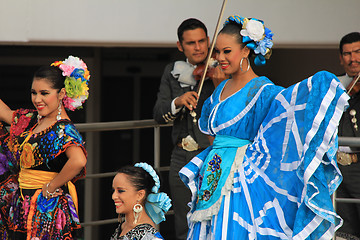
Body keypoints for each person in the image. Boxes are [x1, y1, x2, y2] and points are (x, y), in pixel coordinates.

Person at [179, 15, 349, 239]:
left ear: (246, 51)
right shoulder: (218, 89)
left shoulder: (265, 91)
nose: (219, 58)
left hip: (242, 184)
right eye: (217, 52)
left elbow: (278, 136)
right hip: (212, 177)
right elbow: (213, 138)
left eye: (227, 51)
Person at [0, 56, 89, 239]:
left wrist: (50, 187)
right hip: (22, 204)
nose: (37, 99)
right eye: (34, 92)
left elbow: (79, 160)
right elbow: (7, 114)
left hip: (47, 208)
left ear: (62, 94)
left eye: (44, 93)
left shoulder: (63, 128)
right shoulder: (32, 120)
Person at [153, 18, 225, 240]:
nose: (198, 47)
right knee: (183, 219)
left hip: (212, 154)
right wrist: (178, 101)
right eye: (191, 43)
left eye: (202, 41)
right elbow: (158, 114)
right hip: (180, 155)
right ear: (180, 46)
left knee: (215, 215)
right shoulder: (172, 71)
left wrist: (218, 84)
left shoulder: (221, 68)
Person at [336, 32, 360, 239]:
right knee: (344, 232)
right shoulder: (337, 87)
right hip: (338, 172)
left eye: (358, 52)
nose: (353, 59)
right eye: (347, 54)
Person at [110, 162, 171, 240]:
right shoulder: (123, 226)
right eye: (113, 190)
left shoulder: (149, 236)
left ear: (140, 195)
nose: (113, 196)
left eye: (121, 191)